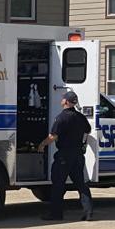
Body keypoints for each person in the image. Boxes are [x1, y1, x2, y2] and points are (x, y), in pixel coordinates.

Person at [37, 90, 93, 221]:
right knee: (81, 184)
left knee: (58, 184)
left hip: (64, 155)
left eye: (63, 98)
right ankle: (88, 212)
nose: (61, 99)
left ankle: (56, 214)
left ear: (66, 102)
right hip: (78, 154)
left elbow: (53, 136)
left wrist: (42, 144)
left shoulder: (62, 117)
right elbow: (88, 130)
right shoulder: (80, 117)